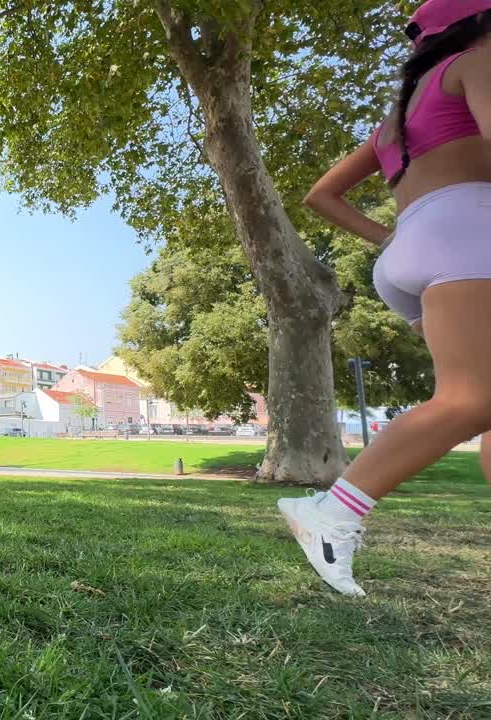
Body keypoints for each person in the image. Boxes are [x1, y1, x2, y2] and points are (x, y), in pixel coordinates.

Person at [285, 0, 491, 596]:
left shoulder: (396, 121)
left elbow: (321, 195)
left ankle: (334, 508)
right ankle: (333, 510)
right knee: (472, 397)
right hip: (469, 235)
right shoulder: (476, 62)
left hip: (417, 251)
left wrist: (393, 237)